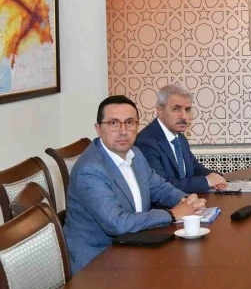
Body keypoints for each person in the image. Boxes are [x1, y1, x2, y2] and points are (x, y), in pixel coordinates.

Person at [63, 95, 206, 275]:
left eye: (130, 123)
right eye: (114, 123)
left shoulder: (134, 153)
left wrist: (186, 200)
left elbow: (159, 187)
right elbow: (118, 223)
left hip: (134, 246)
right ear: (98, 129)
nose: (123, 131)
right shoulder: (91, 170)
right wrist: (172, 214)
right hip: (98, 266)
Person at [135, 84, 227, 193]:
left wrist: (215, 176)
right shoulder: (146, 142)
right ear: (160, 111)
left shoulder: (180, 138)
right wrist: (206, 181)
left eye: (187, 110)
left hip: (188, 199)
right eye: (176, 109)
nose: (184, 116)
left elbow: (195, 167)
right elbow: (162, 186)